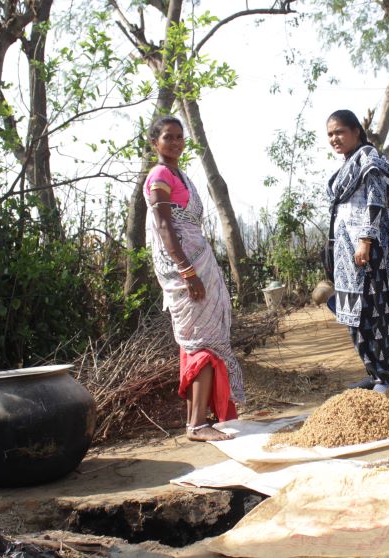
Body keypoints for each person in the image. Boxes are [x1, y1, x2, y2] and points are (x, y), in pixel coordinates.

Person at [144, 115, 244, 441]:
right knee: (201, 341)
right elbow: (164, 226)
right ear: (154, 143)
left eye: (179, 137)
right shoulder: (159, 175)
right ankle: (197, 425)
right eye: (167, 137)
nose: (174, 142)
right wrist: (187, 271)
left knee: (204, 339)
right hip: (183, 269)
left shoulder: (179, 175)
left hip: (198, 264)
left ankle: (199, 418)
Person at [324, 110, 389, 393]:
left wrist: (366, 240)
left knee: (375, 313)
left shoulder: (368, 159)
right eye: (330, 134)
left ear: (356, 131)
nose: (335, 138)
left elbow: (376, 199)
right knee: (354, 314)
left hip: (368, 252)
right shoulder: (346, 165)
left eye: (340, 132)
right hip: (348, 255)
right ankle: (372, 372)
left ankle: (384, 376)